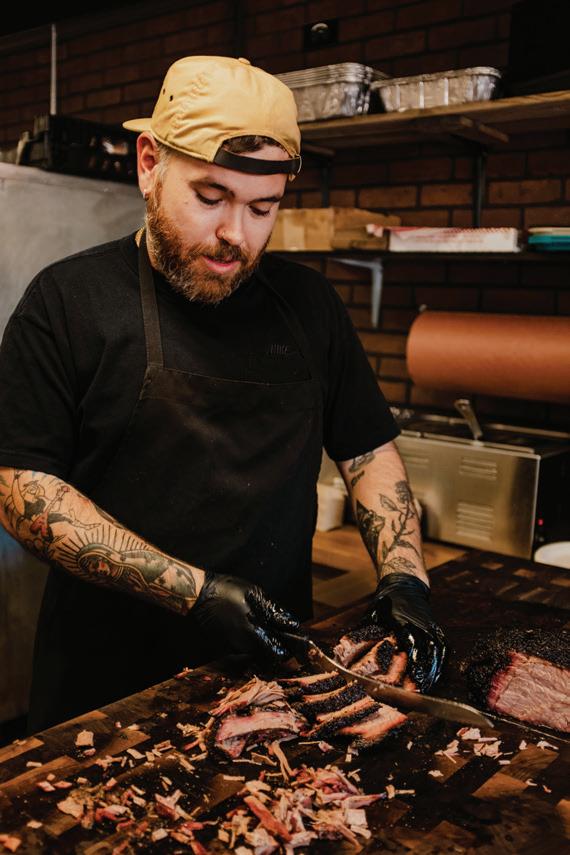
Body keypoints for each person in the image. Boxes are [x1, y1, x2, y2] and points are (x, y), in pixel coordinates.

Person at [0, 56, 445, 733]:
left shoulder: (310, 306)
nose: (237, 234)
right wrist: (196, 592)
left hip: (271, 678)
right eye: (210, 197)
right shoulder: (67, 301)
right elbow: (21, 488)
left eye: (263, 208)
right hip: (105, 685)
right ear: (149, 163)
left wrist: (405, 576)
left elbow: (367, 453)